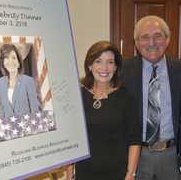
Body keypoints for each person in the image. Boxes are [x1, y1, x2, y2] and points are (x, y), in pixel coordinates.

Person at [121, 15, 181, 180]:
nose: (152, 43)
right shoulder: (122, 71)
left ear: (167, 40)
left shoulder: (179, 70)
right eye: (145, 37)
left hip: (171, 156)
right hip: (135, 156)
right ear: (136, 43)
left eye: (158, 36)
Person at [76, 41, 141, 180]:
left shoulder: (126, 98)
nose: (104, 68)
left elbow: (134, 140)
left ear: (116, 67)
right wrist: (71, 170)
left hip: (117, 173)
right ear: (89, 65)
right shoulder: (79, 96)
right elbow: (73, 136)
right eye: (98, 61)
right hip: (84, 172)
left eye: (110, 62)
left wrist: (131, 174)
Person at [0, 44, 40, 118]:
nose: (10, 61)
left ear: (19, 63)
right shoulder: (0, 82)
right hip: (8, 127)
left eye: (14, 58)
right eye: (6, 58)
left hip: (27, 126)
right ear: (3, 63)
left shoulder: (28, 81)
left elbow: (35, 110)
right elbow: (2, 109)